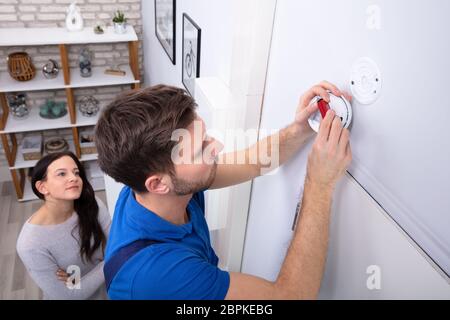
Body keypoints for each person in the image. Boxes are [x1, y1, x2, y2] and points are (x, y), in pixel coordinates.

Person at [95, 82, 352, 299]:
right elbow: (291, 296)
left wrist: (301, 128)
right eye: (200, 149)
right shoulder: (160, 273)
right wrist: (320, 183)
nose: (216, 146)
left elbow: (253, 161)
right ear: (159, 184)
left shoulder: (163, 188)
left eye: (206, 136)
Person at [16, 151, 111, 299]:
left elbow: (116, 244)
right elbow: (69, 295)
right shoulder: (30, 244)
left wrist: (78, 280)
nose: (73, 178)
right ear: (42, 187)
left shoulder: (93, 205)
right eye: (62, 174)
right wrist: (110, 262)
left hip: (110, 289)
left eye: (76, 173)